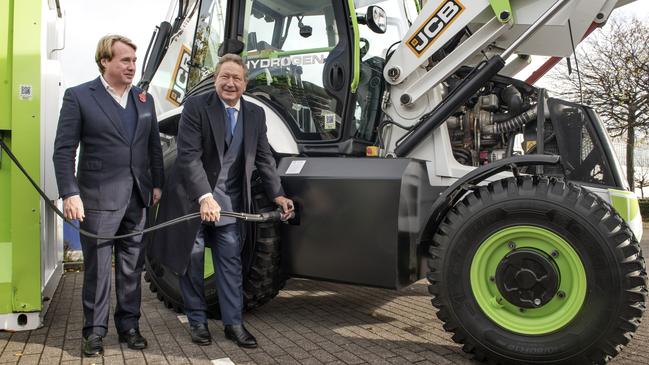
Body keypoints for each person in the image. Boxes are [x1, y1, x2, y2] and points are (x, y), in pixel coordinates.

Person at [151, 53, 294, 348]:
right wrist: (204, 197)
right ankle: (198, 322)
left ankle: (233, 324)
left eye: (236, 78)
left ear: (245, 83)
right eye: (224, 77)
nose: (230, 83)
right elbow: (188, 156)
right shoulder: (195, 107)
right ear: (216, 79)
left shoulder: (255, 115)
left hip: (230, 203)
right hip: (193, 200)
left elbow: (264, 157)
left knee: (230, 264)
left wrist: (278, 194)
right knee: (192, 261)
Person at [52, 35, 164, 357]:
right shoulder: (79, 97)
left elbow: (153, 146)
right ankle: (94, 331)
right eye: (125, 60)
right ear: (105, 61)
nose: (132, 66)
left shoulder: (144, 100)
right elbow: (64, 151)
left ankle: (129, 326)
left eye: (133, 60)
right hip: (97, 199)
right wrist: (69, 192)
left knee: (131, 267)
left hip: (137, 198)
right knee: (99, 268)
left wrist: (157, 183)